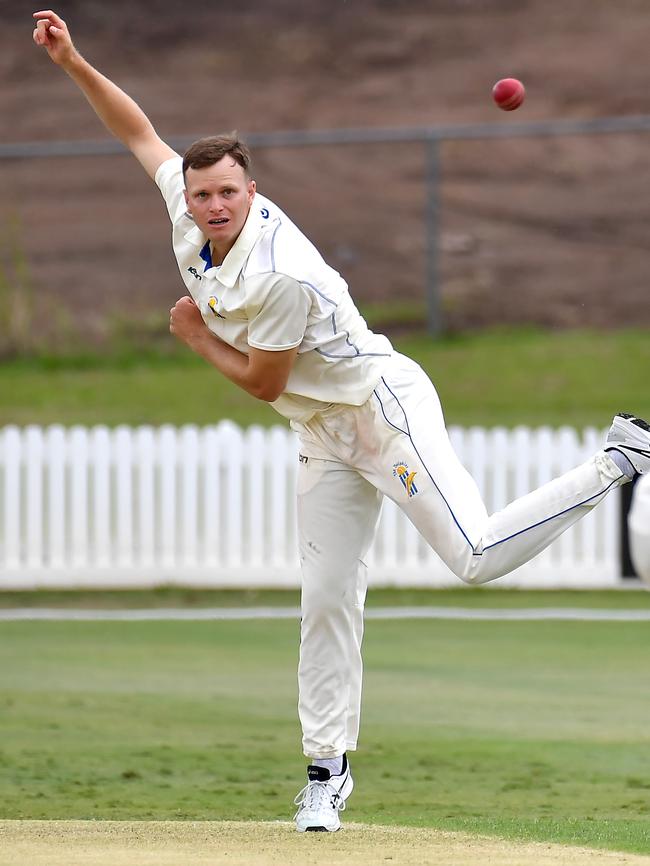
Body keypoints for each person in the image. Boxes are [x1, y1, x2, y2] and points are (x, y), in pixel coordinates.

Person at [33, 9, 650, 833]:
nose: (213, 205)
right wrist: (72, 60)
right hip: (320, 433)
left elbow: (259, 381)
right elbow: (138, 131)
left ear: (253, 192)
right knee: (325, 599)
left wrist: (191, 335)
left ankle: (618, 459)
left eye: (227, 193)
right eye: (201, 192)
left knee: (471, 558)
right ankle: (327, 773)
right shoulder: (187, 211)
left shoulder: (283, 274)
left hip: (379, 411)